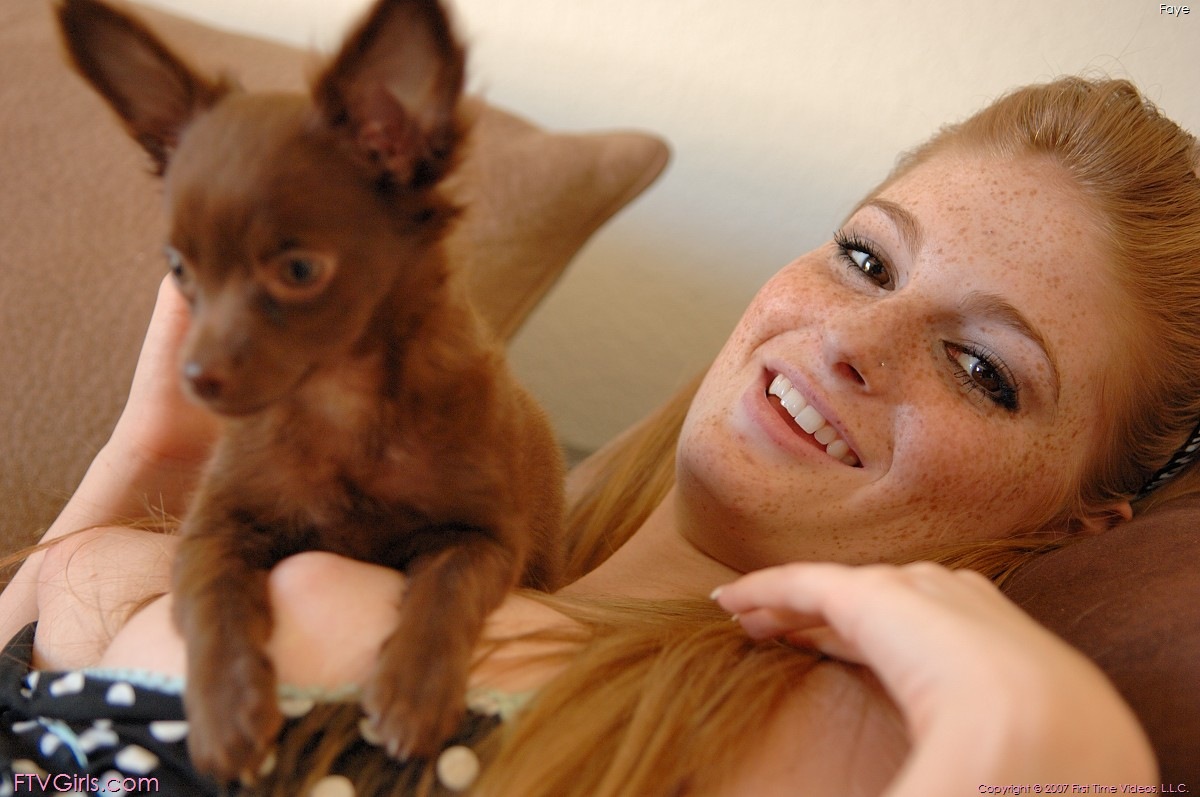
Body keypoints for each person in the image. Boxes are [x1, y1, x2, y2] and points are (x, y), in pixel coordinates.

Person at [1, 74, 1192, 795]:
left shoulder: (845, 738)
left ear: (1078, 520)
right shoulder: (423, 529)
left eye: (982, 369)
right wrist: (150, 468)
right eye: (865, 257)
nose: (851, 339)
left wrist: (1049, 739)